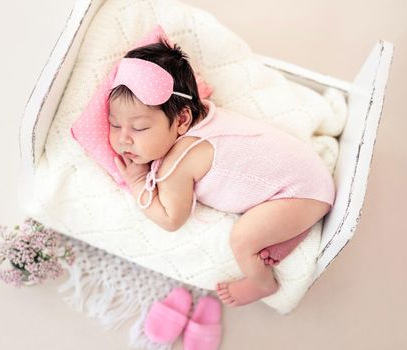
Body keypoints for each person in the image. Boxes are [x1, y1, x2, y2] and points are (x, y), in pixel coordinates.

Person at [109, 39, 335, 307]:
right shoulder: (202, 111)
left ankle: (263, 283)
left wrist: (136, 181)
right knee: (261, 220)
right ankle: (291, 230)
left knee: (242, 237)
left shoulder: (178, 163)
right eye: (114, 124)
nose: (123, 139)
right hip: (308, 172)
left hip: (301, 193)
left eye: (140, 128)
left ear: (181, 120)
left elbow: (171, 219)